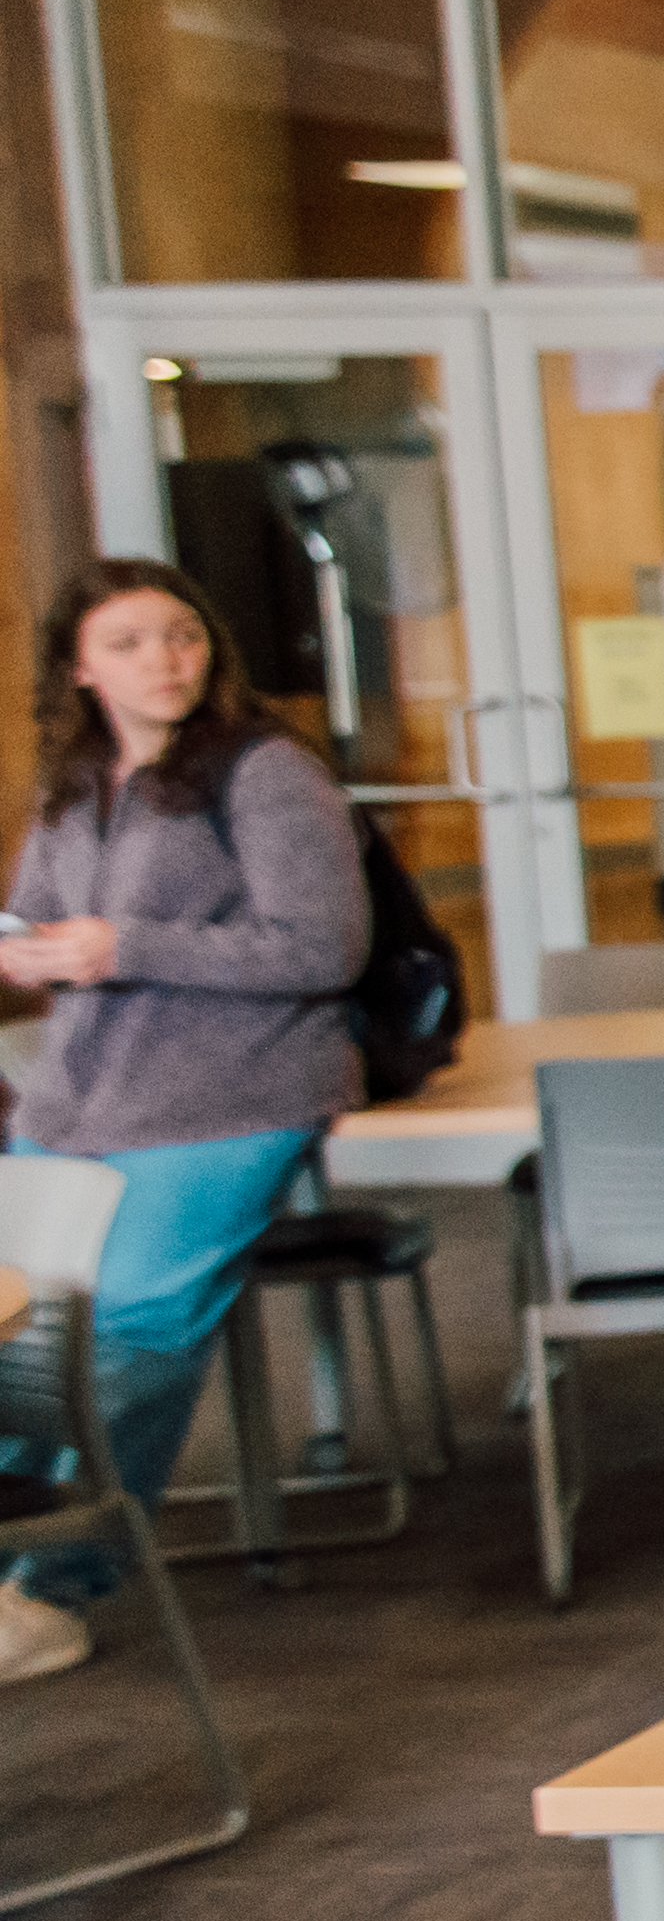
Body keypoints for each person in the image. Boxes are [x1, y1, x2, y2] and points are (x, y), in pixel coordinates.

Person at [0, 559, 367, 1677]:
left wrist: (126, 945)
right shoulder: (78, 781)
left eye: (183, 634)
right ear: (79, 668)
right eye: (129, 643)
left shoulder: (264, 772)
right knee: (22, 1335)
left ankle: (52, 1588)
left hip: (229, 1097)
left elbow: (323, 948)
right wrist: (29, 951)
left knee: (130, 1332)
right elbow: (37, 916)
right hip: (79, 1099)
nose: (165, 660)